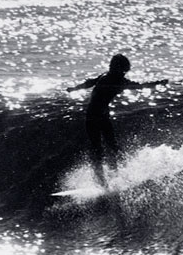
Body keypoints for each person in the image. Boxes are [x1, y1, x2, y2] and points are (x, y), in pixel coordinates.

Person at [69, 54, 168, 187]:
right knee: (97, 149)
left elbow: (140, 86)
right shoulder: (106, 76)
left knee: (112, 147)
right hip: (92, 117)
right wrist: (74, 89)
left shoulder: (120, 81)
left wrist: (157, 83)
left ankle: (115, 176)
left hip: (102, 116)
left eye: (122, 70)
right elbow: (90, 82)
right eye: (114, 67)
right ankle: (101, 182)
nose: (120, 72)